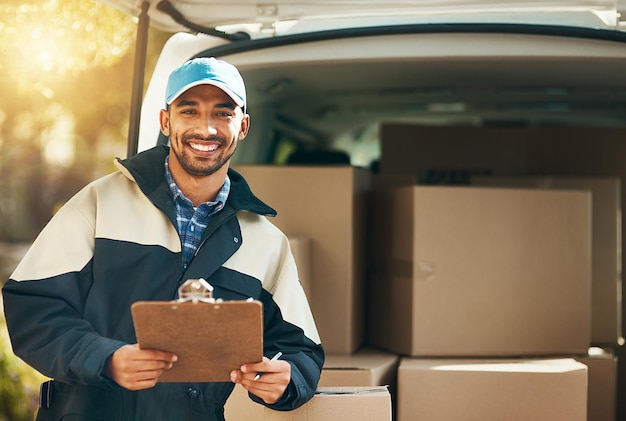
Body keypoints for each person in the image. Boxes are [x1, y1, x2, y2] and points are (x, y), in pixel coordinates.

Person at [2, 57, 325, 420]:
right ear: (165, 121)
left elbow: (301, 350)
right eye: (189, 111)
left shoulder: (266, 242)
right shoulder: (98, 204)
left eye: (223, 113)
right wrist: (104, 358)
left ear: (243, 125)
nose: (206, 128)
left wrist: (287, 379)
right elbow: (32, 307)